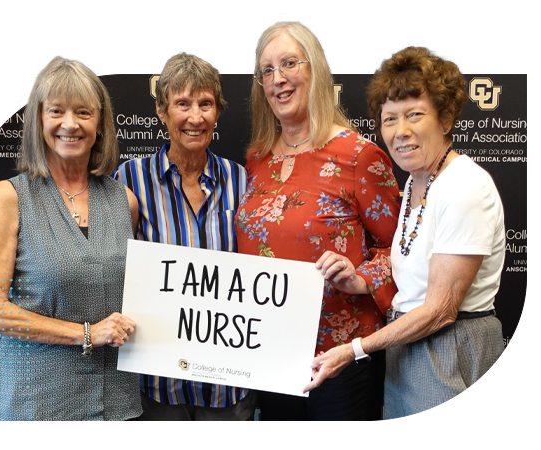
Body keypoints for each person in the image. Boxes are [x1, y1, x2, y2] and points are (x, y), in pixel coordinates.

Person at [305, 45, 507, 421]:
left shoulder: (464, 186)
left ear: (446, 119)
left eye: (415, 115)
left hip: (450, 353)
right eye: (390, 119)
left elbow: (440, 311)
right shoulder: (417, 182)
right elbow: (413, 279)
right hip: (407, 352)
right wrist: (358, 282)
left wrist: (354, 349)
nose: (402, 131)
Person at [235, 20, 401, 420]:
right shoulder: (258, 157)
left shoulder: (358, 156)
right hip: (268, 358)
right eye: (267, 71)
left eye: (289, 63)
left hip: (337, 363)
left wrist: (362, 278)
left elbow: (401, 251)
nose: (278, 79)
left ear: (316, 70)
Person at [0, 54, 142, 421]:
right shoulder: (8, 198)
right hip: (34, 406)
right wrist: (86, 334)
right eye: (56, 111)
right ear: (38, 120)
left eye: (83, 112)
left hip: (115, 405)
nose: (70, 124)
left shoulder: (124, 201)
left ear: (100, 123)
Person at [115, 51, 253, 420]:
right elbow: (117, 268)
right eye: (182, 104)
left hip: (228, 381)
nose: (195, 117)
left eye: (205, 104)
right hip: (160, 381)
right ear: (162, 112)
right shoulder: (129, 179)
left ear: (218, 111)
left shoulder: (241, 180)